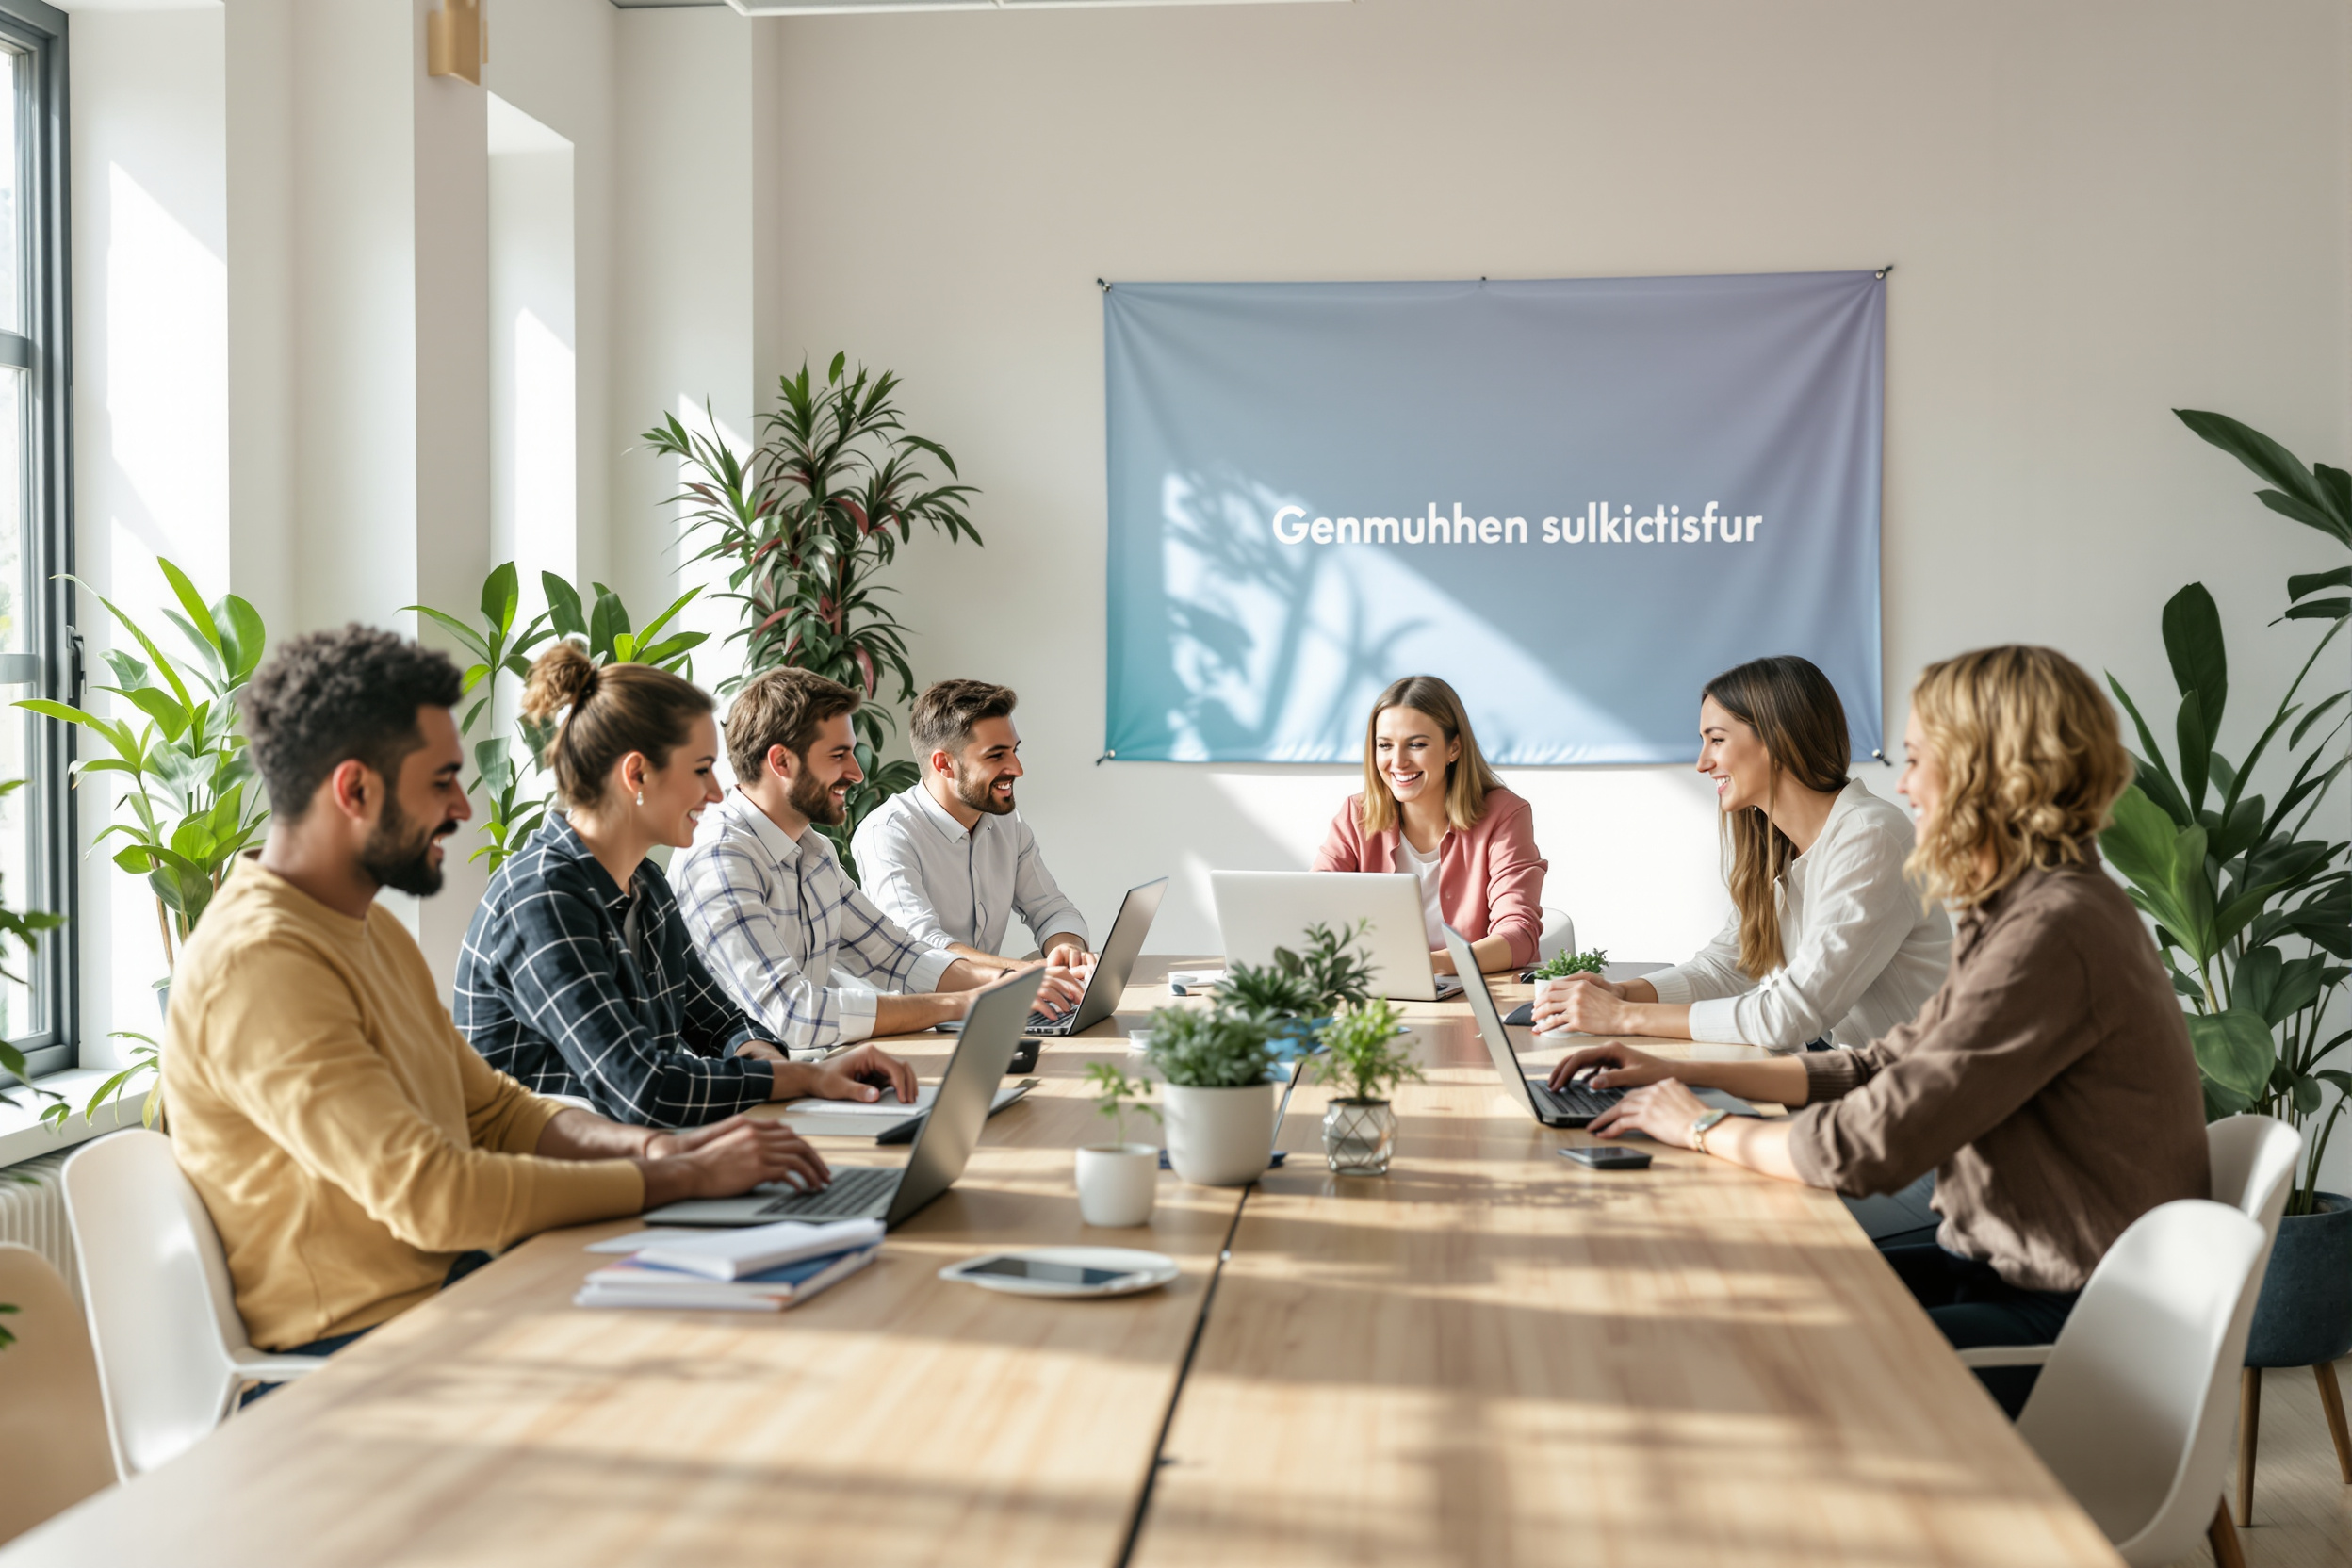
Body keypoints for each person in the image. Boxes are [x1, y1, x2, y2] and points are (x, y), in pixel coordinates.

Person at [1549, 645, 2209, 1414]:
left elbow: (1867, 1142)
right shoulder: (2026, 909)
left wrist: (1703, 1128)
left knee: (1764, 1351)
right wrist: (1679, 1076)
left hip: (2073, 1317)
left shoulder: (2054, 931)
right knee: (1745, 1309)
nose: (1902, 783)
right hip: (1999, 1263)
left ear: (1992, 772)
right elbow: (1876, 1064)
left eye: (1921, 758)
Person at [166, 627, 831, 1360]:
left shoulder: (367, 929)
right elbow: (435, 1197)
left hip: (468, 1290)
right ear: (355, 789)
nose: (463, 807)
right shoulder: (259, 964)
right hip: (366, 1350)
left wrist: (654, 1149)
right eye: (440, 781)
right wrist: (671, 1176)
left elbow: (493, 1110)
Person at [455, 645, 918, 1124]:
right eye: (701, 770)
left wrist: (768, 1061)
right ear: (637, 774)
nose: (717, 793)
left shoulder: (645, 884)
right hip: (547, 1179)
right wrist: (803, 1079)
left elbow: (721, 1021)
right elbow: (640, 1087)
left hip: (635, 1157)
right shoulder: (541, 899)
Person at [1533, 655, 1950, 1050]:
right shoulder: (1779, 848)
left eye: (1716, 740)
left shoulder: (1870, 837)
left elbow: (1791, 1015)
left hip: (1927, 1095)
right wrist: (1623, 993)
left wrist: (1625, 1017)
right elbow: (1728, 965)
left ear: (1777, 739)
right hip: (1870, 1081)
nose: (1702, 763)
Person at [675, 666, 1085, 1051]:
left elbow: (900, 957)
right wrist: (971, 1002)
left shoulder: (814, 852)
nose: (856, 773)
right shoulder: (720, 858)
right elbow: (794, 1016)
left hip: (814, 1071)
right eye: (838, 756)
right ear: (781, 761)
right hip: (740, 1099)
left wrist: (1011, 983)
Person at [1313, 675, 1546, 975]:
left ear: (1454, 748)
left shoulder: (1504, 814)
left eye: (1417, 745)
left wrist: (1431, 965)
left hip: (1476, 996)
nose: (1398, 761)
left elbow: (1518, 934)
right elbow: (1313, 906)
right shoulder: (1355, 815)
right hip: (1379, 996)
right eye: (1384, 745)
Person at [850, 679, 1091, 967]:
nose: (1017, 769)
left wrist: (1067, 949)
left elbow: (1052, 909)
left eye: (1015, 751)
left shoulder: (1007, 824)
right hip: (918, 1008)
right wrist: (1026, 973)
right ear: (944, 764)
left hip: (989, 1002)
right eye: (996, 755)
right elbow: (920, 947)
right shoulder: (886, 834)